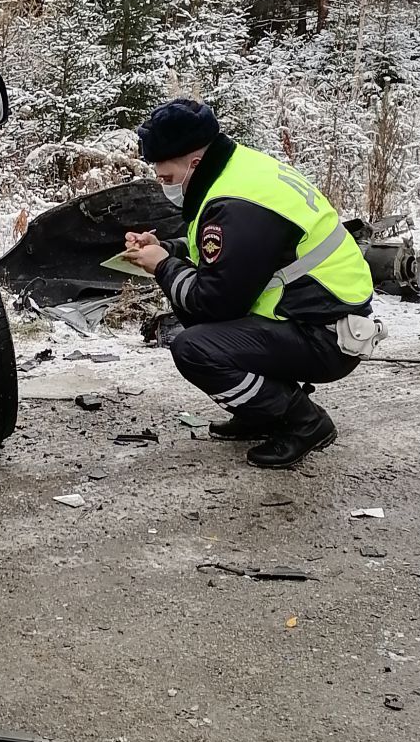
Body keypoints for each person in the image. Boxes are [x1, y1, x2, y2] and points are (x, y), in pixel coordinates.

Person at [121, 99, 378, 468]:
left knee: (194, 347)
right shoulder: (239, 170)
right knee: (201, 321)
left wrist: (163, 266)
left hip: (326, 336)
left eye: (168, 178)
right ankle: (260, 411)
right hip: (319, 316)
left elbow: (215, 302)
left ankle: (305, 423)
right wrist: (166, 248)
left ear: (194, 161)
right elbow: (222, 255)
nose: (165, 186)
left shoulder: (237, 203)